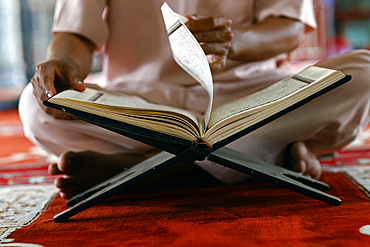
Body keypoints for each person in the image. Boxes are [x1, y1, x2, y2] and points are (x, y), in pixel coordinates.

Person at [19, 0, 370, 199]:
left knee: (362, 73)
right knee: (35, 107)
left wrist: (238, 42)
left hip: (251, 96)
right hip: (138, 102)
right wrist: (62, 65)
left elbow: (290, 27)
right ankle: (261, 157)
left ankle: (147, 171)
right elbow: (75, 34)